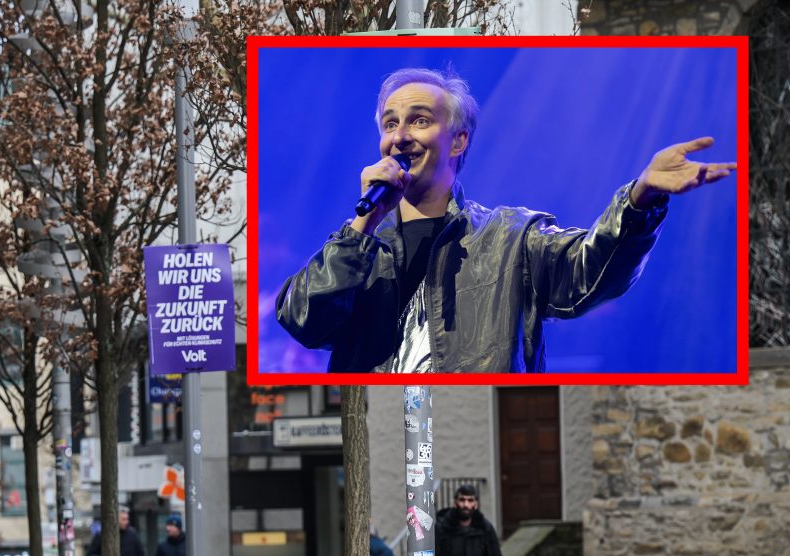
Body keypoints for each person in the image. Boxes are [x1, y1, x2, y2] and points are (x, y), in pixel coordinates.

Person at [276, 66, 737, 373]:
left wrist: (641, 197)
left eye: (418, 121)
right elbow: (303, 319)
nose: (400, 136)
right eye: (390, 124)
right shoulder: (357, 249)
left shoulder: (511, 237)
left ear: (457, 142)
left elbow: (590, 270)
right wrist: (363, 225)